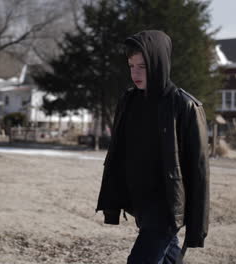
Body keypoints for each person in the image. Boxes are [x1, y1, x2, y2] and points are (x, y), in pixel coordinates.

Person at [96, 30, 210, 264]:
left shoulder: (185, 106)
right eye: (131, 66)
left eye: (143, 66)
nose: (135, 73)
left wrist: (197, 228)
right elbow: (118, 151)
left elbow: (199, 172)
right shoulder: (129, 100)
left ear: (158, 64)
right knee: (168, 258)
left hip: (166, 206)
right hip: (141, 201)